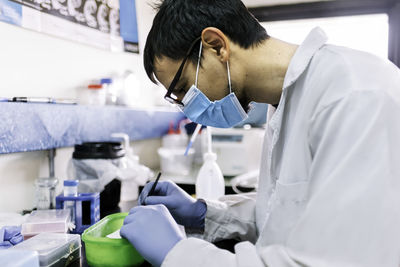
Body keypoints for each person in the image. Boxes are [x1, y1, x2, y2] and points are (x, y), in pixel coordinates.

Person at [120, 0, 400, 266]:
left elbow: (333, 261)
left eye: (183, 88)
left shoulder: (355, 94)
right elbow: (283, 214)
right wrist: (204, 213)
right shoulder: (285, 102)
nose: (187, 108)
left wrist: (177, 253)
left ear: (217, 46)